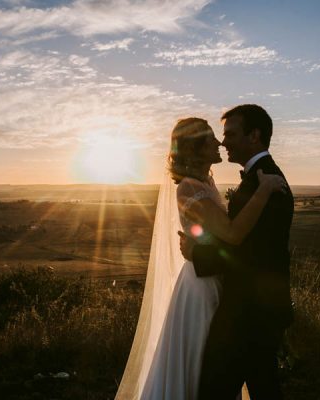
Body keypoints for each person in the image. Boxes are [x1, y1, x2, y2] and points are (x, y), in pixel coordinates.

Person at [115, 116, 288, 400]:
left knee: (218, 365)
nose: (219, 142)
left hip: (213, 278)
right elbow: (231, 234)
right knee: (202, 363)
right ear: (195, 147)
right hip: (201, 287)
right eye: (210, 138)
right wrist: (265, 189)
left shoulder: (204, 182)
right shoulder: (190, 188)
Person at [181, 105, 294, 400]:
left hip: (250, 311)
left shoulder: (266, 180)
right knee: (261, 385)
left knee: (218, 389)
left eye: (230, 134)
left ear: (254, 135)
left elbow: (252, 252)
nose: (223, 141)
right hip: (253, 308)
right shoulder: (260, 178)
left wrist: (198, 254)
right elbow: (241, 242)